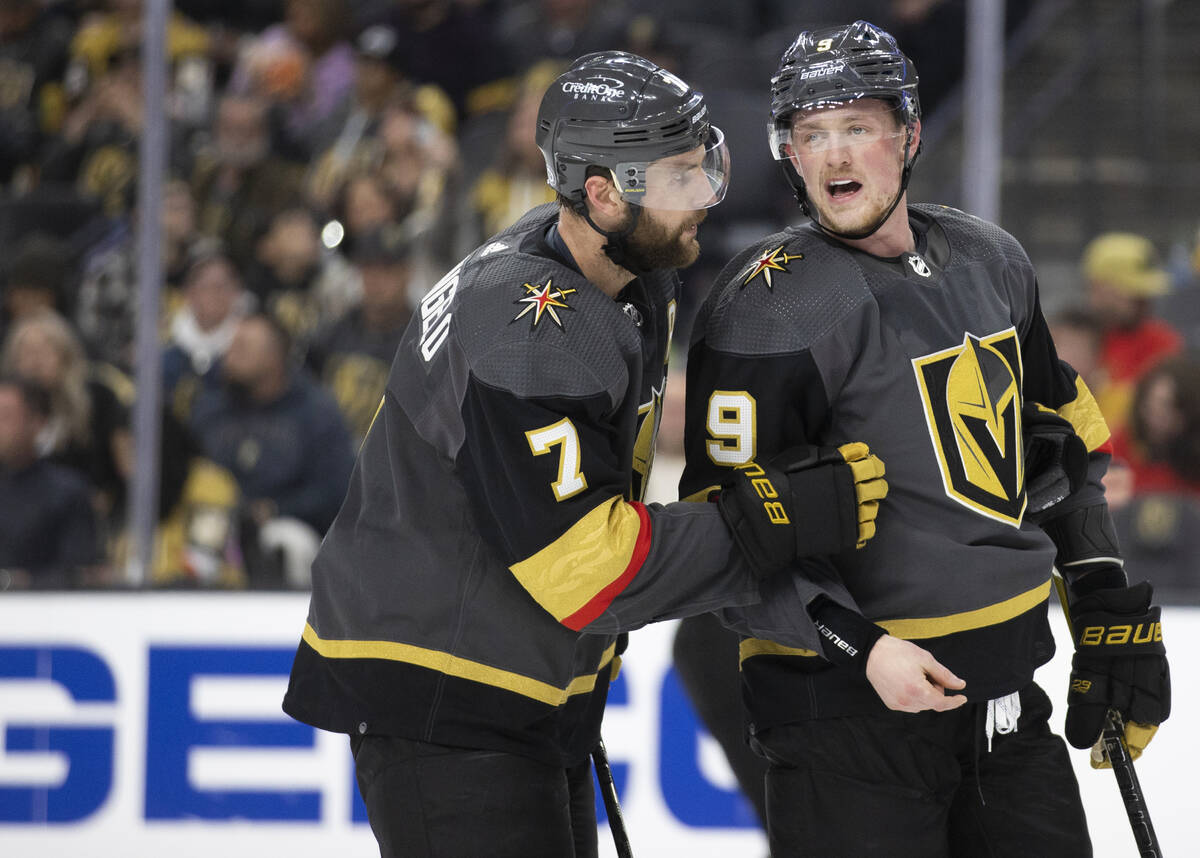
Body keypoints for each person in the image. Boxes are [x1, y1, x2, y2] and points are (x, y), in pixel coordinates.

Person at [282, 51, 887, 858]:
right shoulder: (531, 326)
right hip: (447, 694)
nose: (709, 193)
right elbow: (584, 567)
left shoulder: (615, 270)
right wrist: (775, 514)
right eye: (681, 177)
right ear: (603, 193)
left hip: (516, 681)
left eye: (706, 163)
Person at [680, 21, 1171, 857]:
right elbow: (723, 537)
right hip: (846, 726)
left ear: (907, 134)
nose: (835, 156)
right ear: (788, 155)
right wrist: (859, 646)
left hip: (1009, 714)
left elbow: (1062, 444)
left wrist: (1103, 601)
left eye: (857, 127)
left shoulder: (992, 259)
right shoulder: (765, 307)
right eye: (811, 134)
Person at [189, 313, 354, 587]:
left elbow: (335, 490)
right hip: (215, 521)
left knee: (286, 542)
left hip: (286, 526)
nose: (230, 355)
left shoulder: (315, 410)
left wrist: (276, 509)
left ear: (274, 358)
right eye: (231, 346)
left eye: (243, 348)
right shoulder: (210, 406)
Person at [0, 374, 100, 589]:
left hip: (42, 612)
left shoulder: (67, 491)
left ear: (36, 423)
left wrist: (19, 582)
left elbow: (79, 574)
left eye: (5, 416)